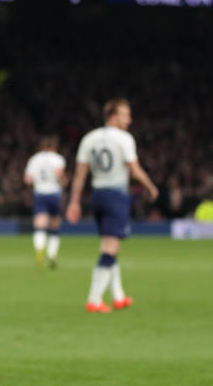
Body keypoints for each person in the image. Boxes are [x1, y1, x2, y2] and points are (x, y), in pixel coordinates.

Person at [65, 99, 158, 312]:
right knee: (110, 247)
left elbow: (80, 174)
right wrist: (151, 187)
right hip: (116, 195)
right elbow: (134, 170)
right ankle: (94, 299)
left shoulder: (89, 138)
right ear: (113, 116)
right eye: (126, 115)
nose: (129, 120)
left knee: (108, 243)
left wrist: (74, 202)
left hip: (97, 194)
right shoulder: (124, 139)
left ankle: (119, 296)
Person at [24, 136, 67, 267]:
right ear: (54, 147)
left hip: (40, 194)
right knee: (55, 224)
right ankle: (52, 253)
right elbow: (59, 174)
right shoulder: (57, 158)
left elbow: (28, 180)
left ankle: (39, 249)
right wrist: (64, 182)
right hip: (54, 193)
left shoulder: (34, 159)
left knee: (40, 225)